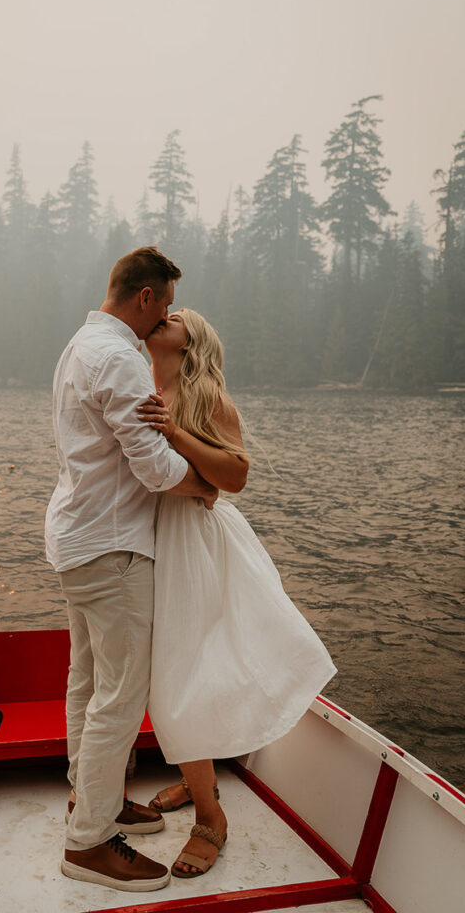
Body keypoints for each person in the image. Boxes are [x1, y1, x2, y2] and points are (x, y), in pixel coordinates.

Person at [138, 308, 337, 879]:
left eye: (173, 316)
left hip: (193, 548)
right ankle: (193, 776)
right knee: (167, 670)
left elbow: (236, 476)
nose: (160, 318)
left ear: (191, 341)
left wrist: (175, 433)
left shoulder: (208, 401)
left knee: (183, 673)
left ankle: (210, 818)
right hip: (144, 540)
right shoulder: (137, 384)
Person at [45, 249, 218, 892]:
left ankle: (92, 800)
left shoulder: (78, 346)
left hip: (76, 537)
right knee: (120, 694)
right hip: (112, 544)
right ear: (144, 299)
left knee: (87, 681)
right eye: (166, 305)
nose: (167, 316)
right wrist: (206, 484)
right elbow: (150, 465)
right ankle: (88, 841)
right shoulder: (119, 357)